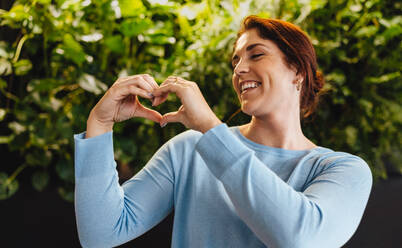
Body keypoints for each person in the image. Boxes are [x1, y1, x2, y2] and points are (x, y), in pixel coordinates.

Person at [74, 16, 372, 248]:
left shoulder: (344, 171)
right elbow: (100, 233)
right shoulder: (189, 150)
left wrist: (209, 127)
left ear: (297, 70)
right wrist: (99, 125)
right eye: (236, 60)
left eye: (255, 55)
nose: (240, 69)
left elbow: (300, 238)